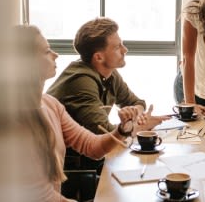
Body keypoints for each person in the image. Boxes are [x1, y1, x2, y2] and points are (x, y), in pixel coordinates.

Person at [14, 24, 146, 202]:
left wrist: (122, 129)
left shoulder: (50, 105)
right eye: (47, 51)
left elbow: (92, 146)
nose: (56, 54)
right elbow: (40, 196)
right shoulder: (17, 120)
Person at [46, 17, 170, 173]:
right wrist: (140, 126)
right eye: (118, 47)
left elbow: (136, 102)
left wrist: (137, 115)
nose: (125, 50)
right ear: (99, 57)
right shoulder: (81, 81)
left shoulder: (109, 73)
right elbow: (108, 135)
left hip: (91, 159)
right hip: (68, 169)